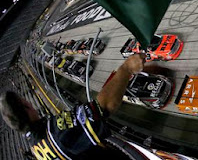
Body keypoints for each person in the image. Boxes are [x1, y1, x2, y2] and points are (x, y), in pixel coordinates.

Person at [0, 53, 145, 159]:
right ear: (25, 107)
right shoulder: (55, 130)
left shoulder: (35, 148)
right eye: (25, 102)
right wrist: (126, 68)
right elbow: (104, 107)